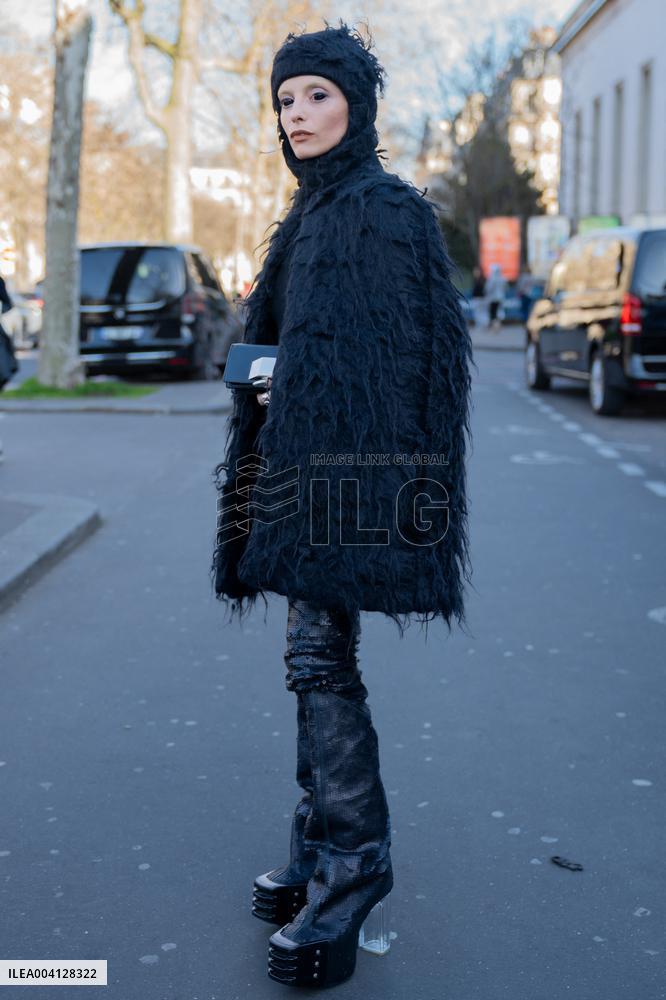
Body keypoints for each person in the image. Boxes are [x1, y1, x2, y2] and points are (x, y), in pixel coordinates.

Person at [211, 21, 476, 989]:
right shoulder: (312, 212)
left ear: (358, 104)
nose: (299, 115)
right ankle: (324, 842)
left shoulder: (384, 210)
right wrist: (269, 376)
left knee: (320, 656)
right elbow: (300, 338)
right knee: (310, 655)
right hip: (300, 467)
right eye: (286, 101)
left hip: (349, 475)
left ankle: (356, 863)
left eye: (318, 95)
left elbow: (409, 359)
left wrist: (307, 386)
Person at [485, 262, 506, 332]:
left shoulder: (492, 279)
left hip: (493, 298)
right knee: (499, 312)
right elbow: (505, 288)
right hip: (500, 298)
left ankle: (494, 327)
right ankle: (497, 326)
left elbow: (488, 288)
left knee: (493, 313)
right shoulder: (502, 278)